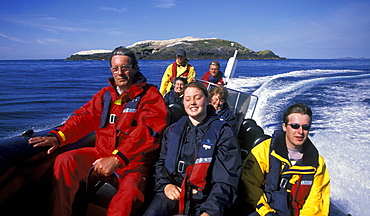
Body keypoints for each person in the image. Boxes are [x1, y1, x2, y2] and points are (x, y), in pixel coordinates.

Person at [28, 46, 168, 216]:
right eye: (115, 68)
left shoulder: (150, 96)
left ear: (135, 68)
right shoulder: (105, 96)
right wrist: (58, 137)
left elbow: (148, 131)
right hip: (101, 152)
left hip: (133, 162)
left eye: (125, 67)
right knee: (65, 161)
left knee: (128, 196)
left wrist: (117, 158)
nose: (120, 73)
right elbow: (83, 118)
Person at [143, 82, 242, 216]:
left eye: (198, 98)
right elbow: (161, 163)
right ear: (183, 102)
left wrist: (210, 211)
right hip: (173, 190)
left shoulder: (223, 133)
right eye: (188, 99)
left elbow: (226, 178)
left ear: (207, 100)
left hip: (206, 197)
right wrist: (165, 185)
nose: (193, 103)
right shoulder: (172, 130)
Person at [237, 103, 330, 216]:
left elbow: (316, 200)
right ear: (284, 127)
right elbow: (248, 182)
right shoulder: (264, 150)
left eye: (305, 127)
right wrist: (265, 211)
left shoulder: (317, 163)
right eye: (295, 126)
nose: (300, 131)